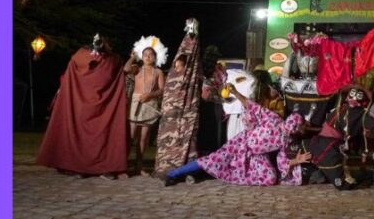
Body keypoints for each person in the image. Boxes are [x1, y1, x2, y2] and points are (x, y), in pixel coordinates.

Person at [165, 82, 310, 186]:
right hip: (241, 143)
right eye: (303, 125)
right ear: (297, 125)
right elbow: (251, 106)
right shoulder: (274, 119)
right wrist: (234, 92)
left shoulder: (287, 140)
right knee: (213, 160)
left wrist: (296, 161)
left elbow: (282, 161)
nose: (304, 129)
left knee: (270, 178)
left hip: (256, 155)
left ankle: (212, 174)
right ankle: (173, 174)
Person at [37, 34, 129, 179]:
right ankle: (79, 167)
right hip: (82, 102)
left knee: (100, 135)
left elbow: (115, 73)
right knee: (81, 136)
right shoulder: (86, 57)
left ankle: (103, 167)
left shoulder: (109, 60)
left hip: (103, 105)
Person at [154, 19, 203, 179]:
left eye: (181, 65)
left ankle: (189, 170)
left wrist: (192, 35)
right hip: (172, 115)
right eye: (176, 65)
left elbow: (190, 52)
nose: (178, 67)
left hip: (187, 113)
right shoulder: (172, 77)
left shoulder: (193, 77)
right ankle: (166, 167)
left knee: (189, 138)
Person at [124, 39, 167, 176]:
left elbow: (162, 90)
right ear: (141, 57)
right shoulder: (137, 69)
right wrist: (132, 57)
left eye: (150, 54)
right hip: (136, 103)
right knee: (131, 136)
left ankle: (139, 166)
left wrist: (150, 95)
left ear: (155, 57)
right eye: (145, 54)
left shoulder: (158, 72)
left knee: (143, 138)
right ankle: (123, 165)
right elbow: (125, 69)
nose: (148, 57)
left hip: (150, 104)